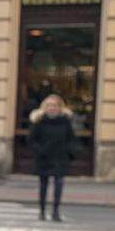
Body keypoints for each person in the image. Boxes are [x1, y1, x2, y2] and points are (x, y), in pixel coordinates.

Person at [29, 93, 78, 222]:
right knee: (43, 185)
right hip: (44, 157)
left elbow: (71, 139)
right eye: (49, 105)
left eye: (55, 105)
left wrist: (70, 152)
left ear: (60, 107)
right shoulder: (39, 121)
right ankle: (42, 211)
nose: (52, 108)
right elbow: (32, 140)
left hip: (60, 157)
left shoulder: (65, 122)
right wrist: (39, 151)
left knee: (59, 184)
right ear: (45, 107)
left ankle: (56, 211)